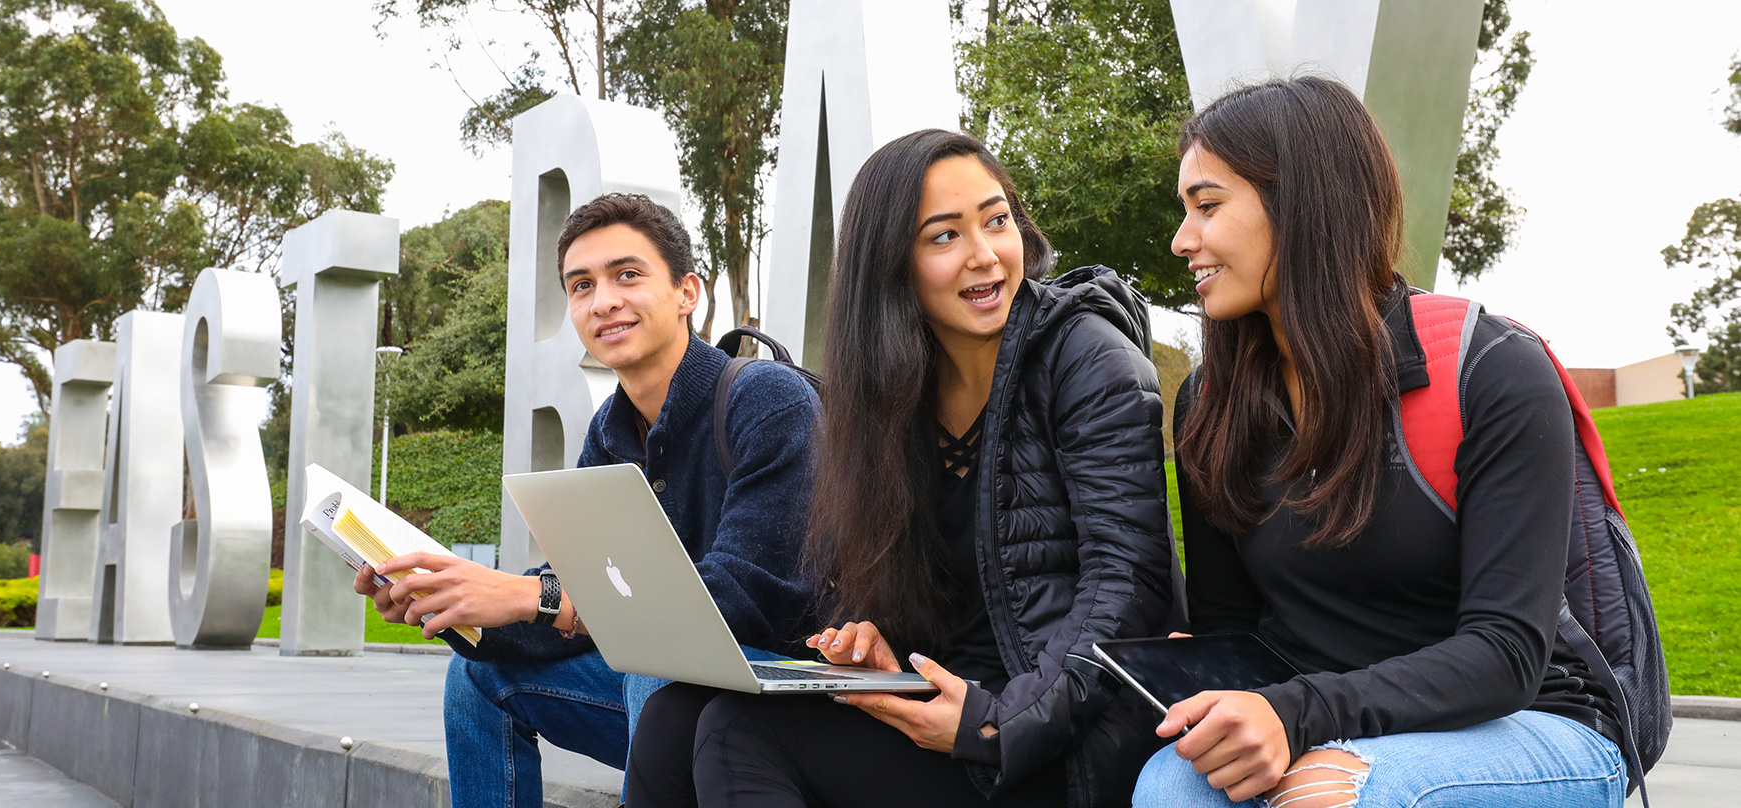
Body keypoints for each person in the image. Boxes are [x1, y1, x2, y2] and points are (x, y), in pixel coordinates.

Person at [625, 129, 1181, 808]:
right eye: (944, 236)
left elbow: (1127, 590)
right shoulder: (893, 393)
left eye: (996, 220)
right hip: (952, 699)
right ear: (892, 265)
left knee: (741, 734)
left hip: (1068, 730)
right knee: (672, 719)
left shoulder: (1087, 360)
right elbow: (921, 591)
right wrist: (871, 636)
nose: (985, 256)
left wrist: (993, 722)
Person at [1134, 76, 1628, 808]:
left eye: (1207, 206)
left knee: (1335, 797)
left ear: (1301, 203)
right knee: (1171, 790)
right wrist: (1213, 677)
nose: (1183, 240)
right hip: (1322, 720)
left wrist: (1298, 714)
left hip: (1528, 724)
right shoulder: (1211, 402)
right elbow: (1234, 627)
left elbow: (1506, 654)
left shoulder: (1491, 371)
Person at [355, 193, 821, 808]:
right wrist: (455, 605)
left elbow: (741, 600)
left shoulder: (768, 400)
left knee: (659, 665)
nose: (603, 301)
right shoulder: (610, 431)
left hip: (797, 709)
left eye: (627, 275)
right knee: (476, 676)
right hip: (675, 707)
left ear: (688, 293)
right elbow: (574, 603)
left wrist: (534, 595)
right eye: (581, 285)